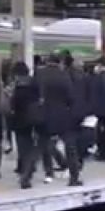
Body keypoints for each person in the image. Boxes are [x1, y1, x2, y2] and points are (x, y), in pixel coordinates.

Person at [36, 54, 80, 185]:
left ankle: (48, 173)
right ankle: (74, 177)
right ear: (59, 62)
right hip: (62, 114)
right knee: (70, 146)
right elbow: (71, 96)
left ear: (47, 61)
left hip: (44, 114)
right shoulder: (63, 75)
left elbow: (35, 92)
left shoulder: (39, 74)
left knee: (44, 144)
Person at [9, 61, 41, 189]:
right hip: (35, 120)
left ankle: (25, 174)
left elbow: (14, 106)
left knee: (24, 148)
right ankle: (28, 170)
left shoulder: (18, 87)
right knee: (33, 147)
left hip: (20, 122)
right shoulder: (35, 84)